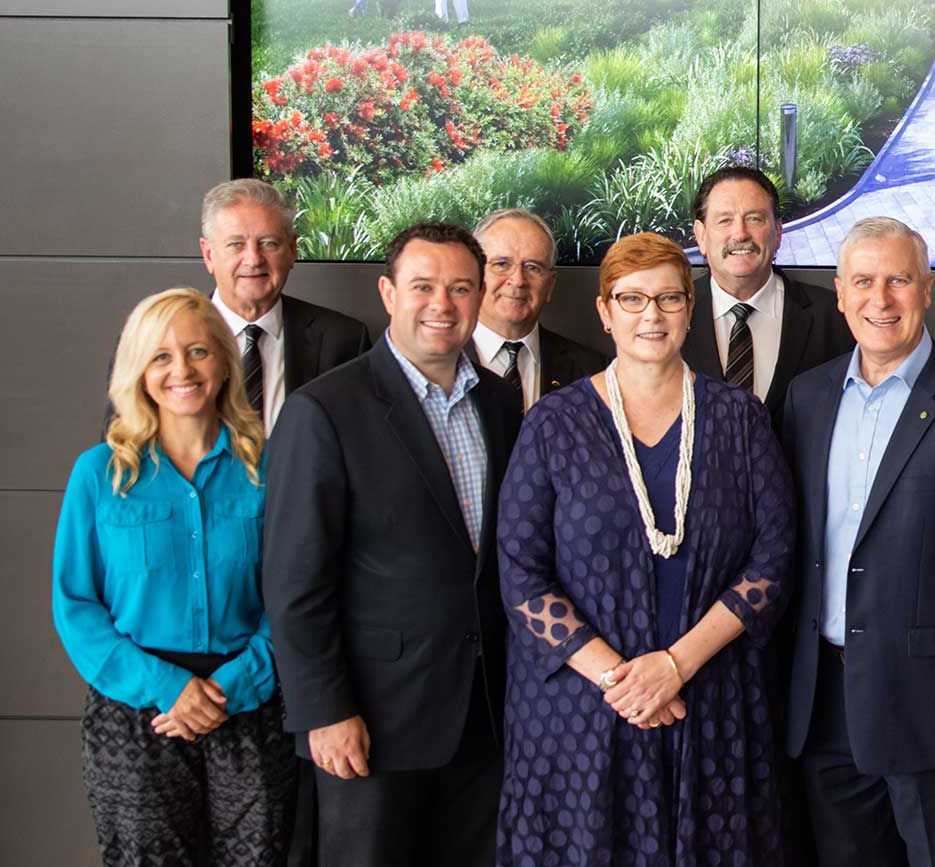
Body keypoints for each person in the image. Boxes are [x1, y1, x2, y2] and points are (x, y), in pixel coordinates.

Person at [494, 232, 798, 865]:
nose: (650, 316)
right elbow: (521, 573)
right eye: (631, 299)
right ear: (604, 312)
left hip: (710, 702)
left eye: (667, 298)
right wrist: (622, 681)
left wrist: (674, 668)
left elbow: (773, 559)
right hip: (580, 712)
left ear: (691, 310)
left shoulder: (741, 419)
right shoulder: (552, 423)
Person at [261, 222, 522, 867]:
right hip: (372, 724)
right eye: (424, 286)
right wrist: (324, 711)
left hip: (485, 718)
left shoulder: (500, 401)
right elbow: (295, 582)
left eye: (461, 288)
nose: (443, 304)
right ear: (387, 292)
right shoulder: (323, 410)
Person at [782, 217, 935, 867]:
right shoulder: (807, 399)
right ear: (840, 294)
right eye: (863, 281)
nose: (880, 298)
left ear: (926, 290)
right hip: (825, 709)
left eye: (898, 280)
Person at [53, 287, 292, 866]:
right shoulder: (99, 474)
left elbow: (292, 596)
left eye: (198, 352)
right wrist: (169, 687)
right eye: (160, 356)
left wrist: (235, 687)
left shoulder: (270, 467)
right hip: (138, 715)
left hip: (249, 707)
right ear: (137, 370)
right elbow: (76, 605)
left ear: (224, 362)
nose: (181, 370)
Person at [197, 179, 371, 434]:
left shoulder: (343, 341)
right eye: (236, 245)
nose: (254, 259)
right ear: (209, 255)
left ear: (292, 250)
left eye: (269, 243)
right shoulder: (160, 339)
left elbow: (361, 446)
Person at [685, 166, 854, 420]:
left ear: (778, 233)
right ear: (701, 236)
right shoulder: (673, 315)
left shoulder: (834, 317)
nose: (740, 233)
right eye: (724, 220)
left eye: (755, 218)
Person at [470, 208, 610, 409]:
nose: (518, 280)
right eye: (501, 264)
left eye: (533, 268)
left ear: (550, 285)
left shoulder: (594, 372)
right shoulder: (435, 361)